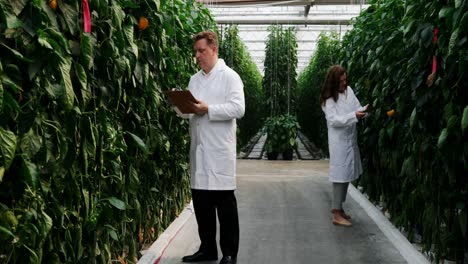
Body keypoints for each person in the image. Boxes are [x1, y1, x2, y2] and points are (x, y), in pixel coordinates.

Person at [174, 31, 245, 264]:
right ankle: (207, 249)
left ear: (214, 50)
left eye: (201, 51)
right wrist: (179, 104)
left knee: (225, 207)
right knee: (202, 205)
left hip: (219, 152)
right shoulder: (195, 80)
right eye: (195, 51)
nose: (197, 55)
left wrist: (209, 110)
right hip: (200, 150)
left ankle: (229, 253)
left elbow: (238, 108)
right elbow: (189, 111)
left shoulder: (230, 77)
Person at [319, 65, 367, 227]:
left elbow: (356, 106)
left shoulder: (349, 91)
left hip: (350, 139)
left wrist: (363, 111)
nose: (344, 83)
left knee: (347, 175)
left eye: (345, 80)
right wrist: (354, 115)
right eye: (341, 81)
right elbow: (334, 120)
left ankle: (340, 209)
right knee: (340, 176)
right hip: (339, 142)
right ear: (333, 82)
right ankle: (336, 213)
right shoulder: (328, 99)